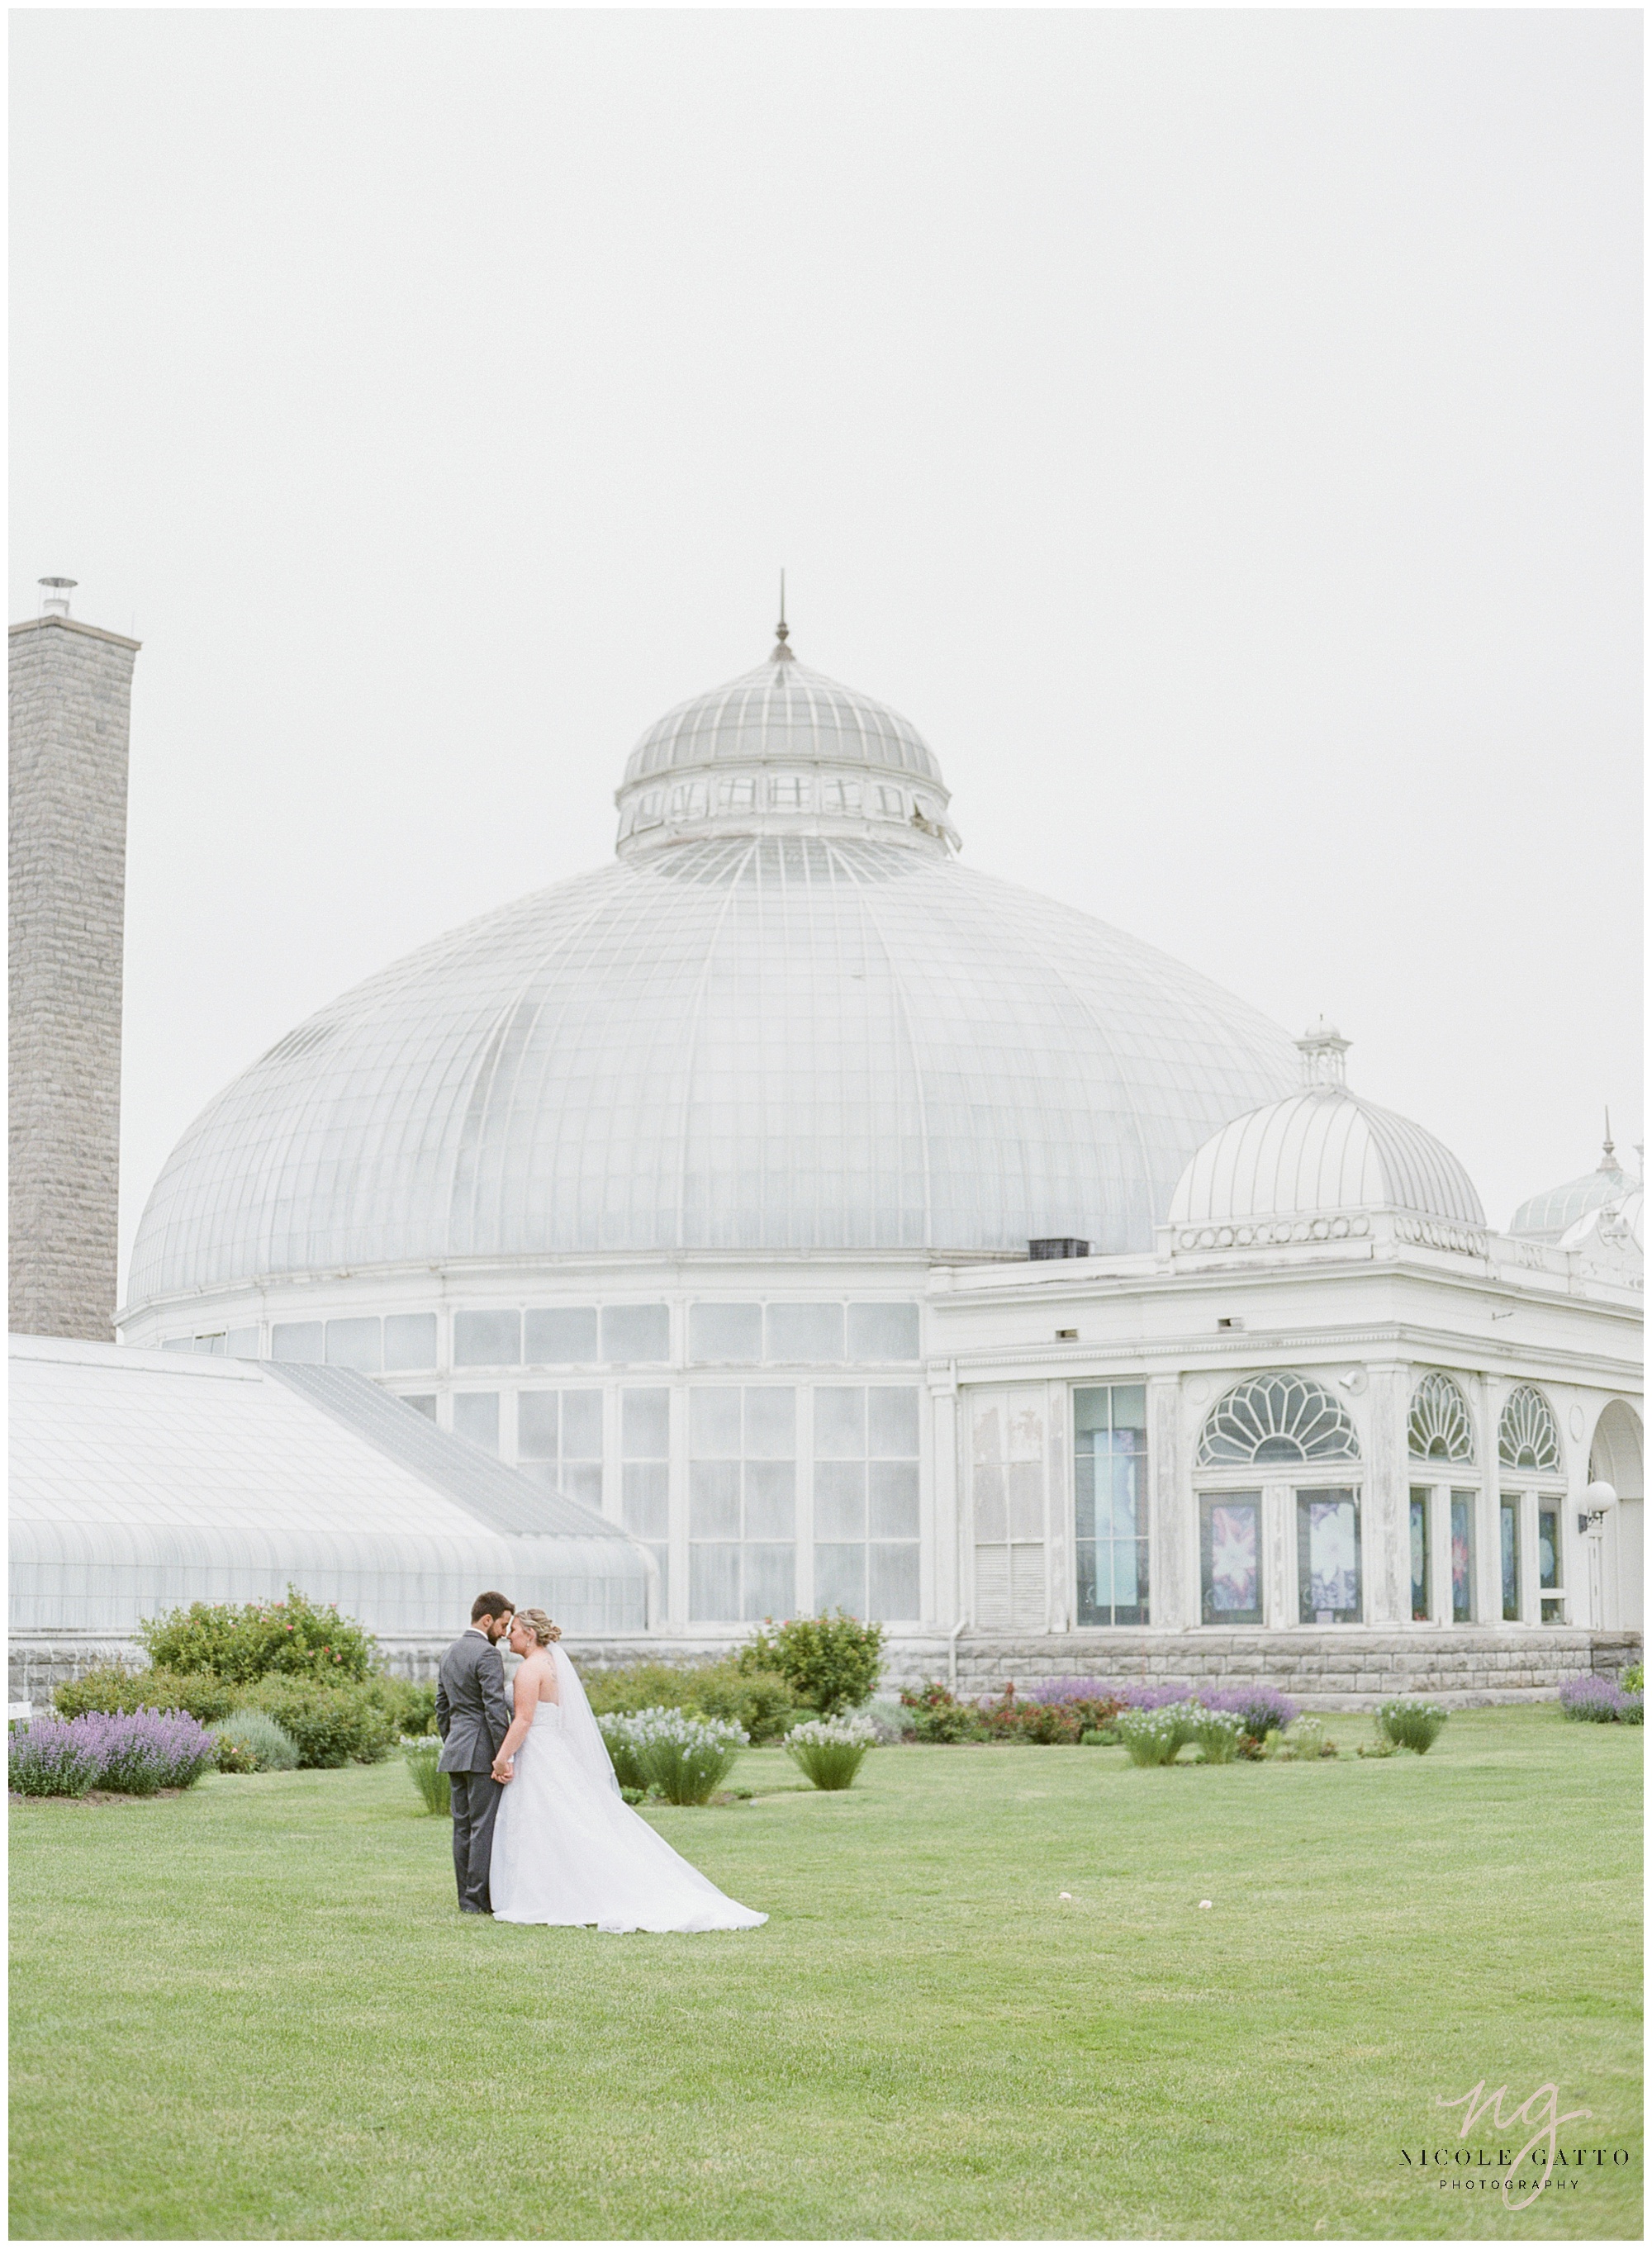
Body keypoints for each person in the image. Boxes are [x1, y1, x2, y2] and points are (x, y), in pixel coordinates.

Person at [488, 1608, 767, 1934]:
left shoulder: (528, 1670)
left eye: (515, 1629)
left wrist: (502, 1758)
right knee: (565, 1821)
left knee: (543, 1820)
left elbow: (523, 1720)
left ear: (531, 1634)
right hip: (554, 1751)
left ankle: (549, 1893)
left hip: (539, 1751)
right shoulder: (551, 1664)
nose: (509, 1634)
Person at [435, 1591, 515, 1914]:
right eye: (503, 1624)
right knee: (484, 1826)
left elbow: (442, 1707)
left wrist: (453, 1741)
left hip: (456, 1751)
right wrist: (503, 1755)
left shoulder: (450, 1652)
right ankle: (478, 1900)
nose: (505, 1632)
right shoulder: (487, 1655)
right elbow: (494, 1709)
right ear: (487, 1620)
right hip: (483, 1753)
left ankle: (466, 1898)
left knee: (463, 1827)